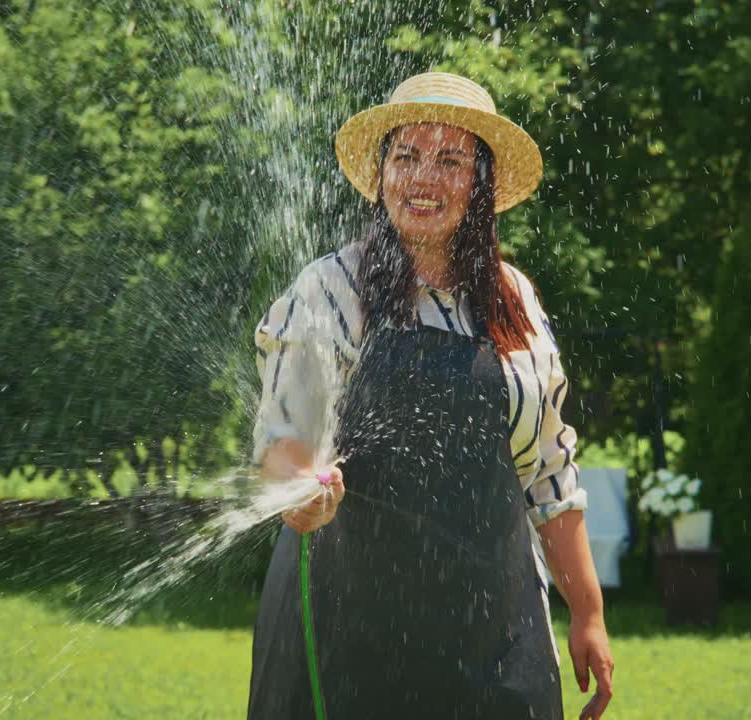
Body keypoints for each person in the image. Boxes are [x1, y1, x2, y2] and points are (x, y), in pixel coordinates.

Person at [247, 72, 615, 720]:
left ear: (480, 184)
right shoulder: (329, 291)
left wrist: (588, 613)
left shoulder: (516, 304)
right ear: (382, 171)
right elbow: (282, 439)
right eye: (407, 156)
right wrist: (301, 488)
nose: (424, 178)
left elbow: (550, 475)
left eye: (450, 160)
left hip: (495, 636)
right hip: (347, 636)